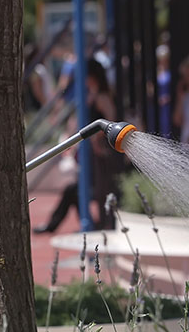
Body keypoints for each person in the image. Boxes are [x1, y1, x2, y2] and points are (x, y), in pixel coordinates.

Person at [34, 59, 124, 233]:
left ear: (92, 76)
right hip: (94, 154)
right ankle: (91, 223)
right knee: (78, 189)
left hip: (103, 154)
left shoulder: (102, 96)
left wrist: (96, 137)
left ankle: (100, 225)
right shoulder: (91, 94)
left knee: (97, 190)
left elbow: (111, 121)